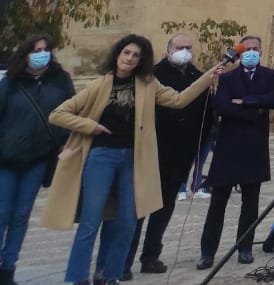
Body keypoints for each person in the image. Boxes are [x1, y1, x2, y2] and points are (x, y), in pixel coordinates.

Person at [44, 35, 219, 285]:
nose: (129, 58)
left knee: (125, 221)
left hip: (132, 158)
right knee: (91, 222)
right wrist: (90, 126)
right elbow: (58, 114)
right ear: (118, 54)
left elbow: (179, 100)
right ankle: (78, 277)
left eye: (136, 55)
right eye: (126, 53)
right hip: (102, 157)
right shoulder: (100, 85)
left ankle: (110, 274)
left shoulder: (148, 85)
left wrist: (209, 76)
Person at [196, 35, 274, 268]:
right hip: (228, 146)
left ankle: (245, 248)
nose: (251, 52)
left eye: (255, 48)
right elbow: (221, 105)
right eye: (247, 49)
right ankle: (207, 252)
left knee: (250, 202)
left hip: (254, 146)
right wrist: (256, 110)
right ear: (239, 52)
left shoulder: (270, 75)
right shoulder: (227, 77)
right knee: (218, 202)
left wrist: (243, 102)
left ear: (261, 51)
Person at [132, 33, 213, 274]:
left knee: (165, 207)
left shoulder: (198, 77)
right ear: (168, 50)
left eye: (188, 47)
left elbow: (207, 115)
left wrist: (197, 147)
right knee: (140, 208)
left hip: (182, 153)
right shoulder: (153, 75)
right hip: (153, 151)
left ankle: (151, 255)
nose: (184, 51)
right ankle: (124, 258)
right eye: (179, 47)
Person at [0, 34, 75, 285]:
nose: (42, 53)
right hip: (6, 159)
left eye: (45, 49)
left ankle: (8, 266)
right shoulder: (11, 82)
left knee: (21, 215)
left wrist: (65, 144)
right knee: (2, 212)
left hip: (38, 158)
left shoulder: (60, 81)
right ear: (25, 54)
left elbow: (71, 113)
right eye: (36, 50)